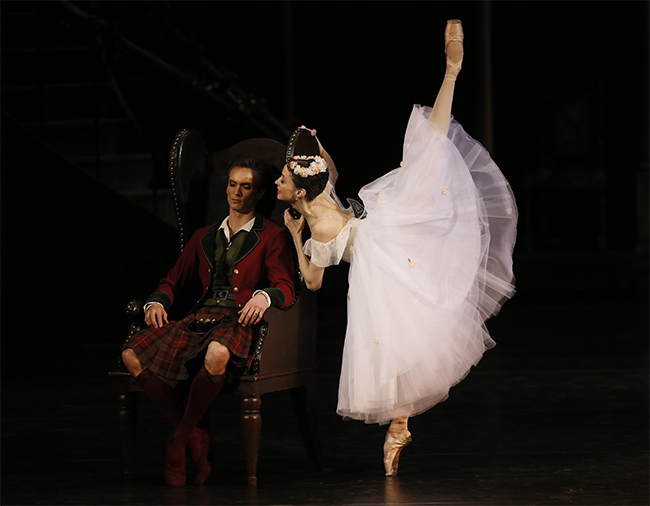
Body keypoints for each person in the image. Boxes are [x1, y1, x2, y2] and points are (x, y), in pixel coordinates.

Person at [275, 20, 517, 476]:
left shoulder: (320, 225)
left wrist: (294, 234)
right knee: (428, 157)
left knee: (397, 343)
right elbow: (330, 173)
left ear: (300, 193)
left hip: (378, 257)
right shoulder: (321, 203)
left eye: (283, 181)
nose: (278, 183)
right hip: (382, 232)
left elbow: (312, 279)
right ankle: (450, 73)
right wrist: (317, 154)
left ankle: (400, 426)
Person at [121, 155, 297, 486]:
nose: (237, 193)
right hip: (200, 319)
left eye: (246, 187)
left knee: (217, 354)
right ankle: (192, 434)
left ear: (259, 193)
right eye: (232, 185)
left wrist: (264, 296)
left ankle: (178, 441)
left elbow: (286, 287)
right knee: (130, 354)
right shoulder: (204, 235)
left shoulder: (272, 235)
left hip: (238, 321)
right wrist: (156, 302)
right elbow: (172, 281)